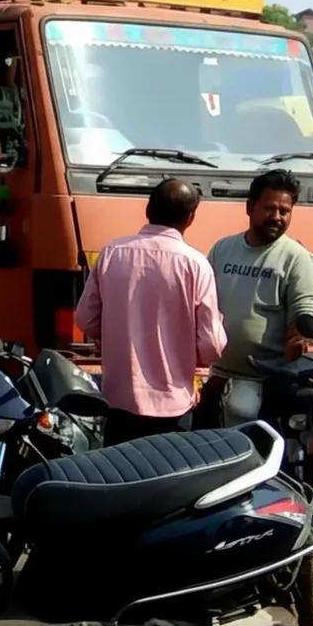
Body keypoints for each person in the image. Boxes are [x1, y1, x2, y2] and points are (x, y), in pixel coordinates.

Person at [75, 178, 226, 445]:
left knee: (120, 478)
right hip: (174, 406)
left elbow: (85, 320)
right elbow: (211, 345)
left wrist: (116, 331)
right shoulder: (196, 264)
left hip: (119, 400)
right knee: (167, 481)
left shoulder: (112, 253)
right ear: (190, 218)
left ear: (148, 209)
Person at [206, 170, 313, 427]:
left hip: (266, 384)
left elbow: (306, 310)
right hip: (218, 378)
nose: (277, 217)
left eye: (285, 211)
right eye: (270, 209)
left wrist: (300, 336)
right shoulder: (222, 249)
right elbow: (202, 304)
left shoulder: (296, 258)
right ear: (249, 207)